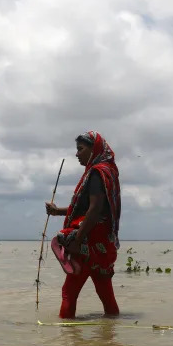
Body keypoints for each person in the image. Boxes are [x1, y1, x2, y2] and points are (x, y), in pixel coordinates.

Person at [45, 131, 121, 319]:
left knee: (68, 292)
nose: (77, 154)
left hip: (87, 243)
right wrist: (57, 211)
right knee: (106, 295)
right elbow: (90, 209)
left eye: (80, 149)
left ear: (93, 149)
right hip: (103, 247)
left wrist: (78, 241)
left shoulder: (96, 173)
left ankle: (68, 342)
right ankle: (110, 339)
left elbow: (94, 210)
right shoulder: (108, 172)